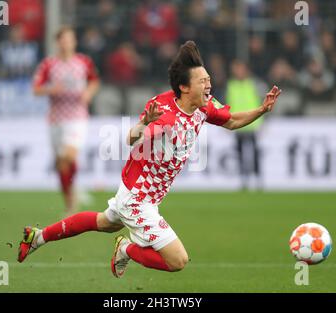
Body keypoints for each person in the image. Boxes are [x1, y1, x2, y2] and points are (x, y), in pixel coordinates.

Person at [18, 41, 281, 277]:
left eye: (208, 79)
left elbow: (233, 121)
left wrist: (261, 109)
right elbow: (131, 139)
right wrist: (144, 123)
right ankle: (127, 249)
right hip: (137, 199)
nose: (208, 85)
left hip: (141, 195)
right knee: (178, 260)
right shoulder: (163, 113)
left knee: (103, 222)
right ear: (184, 87)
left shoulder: (204, 106)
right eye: (203, 81)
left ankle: (37, 237)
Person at [32, 26, 100, 214]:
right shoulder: (49, 64)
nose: (66, 43)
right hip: (56, 118)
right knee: (61, 164)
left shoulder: (83, 62)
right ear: (58, 42)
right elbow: (36, 89)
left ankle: (73, 195)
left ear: (74, 42)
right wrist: (50, 89)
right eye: (63, 40)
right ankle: (70, 200)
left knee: (69, 156)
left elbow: (94, 80)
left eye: (70, 39)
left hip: (77, 116)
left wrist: (88, 92)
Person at [226, 60, 263, 190]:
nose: (239, 72)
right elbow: (229, 104)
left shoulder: (253, 84)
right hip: (238, 124)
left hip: (253, 125)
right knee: (240, 153)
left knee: (254, 153)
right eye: (237, 69)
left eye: (241, 69)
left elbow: (261, 102)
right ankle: (244, 179)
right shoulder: (231, 85)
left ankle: (258, 179)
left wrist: (261, 121)